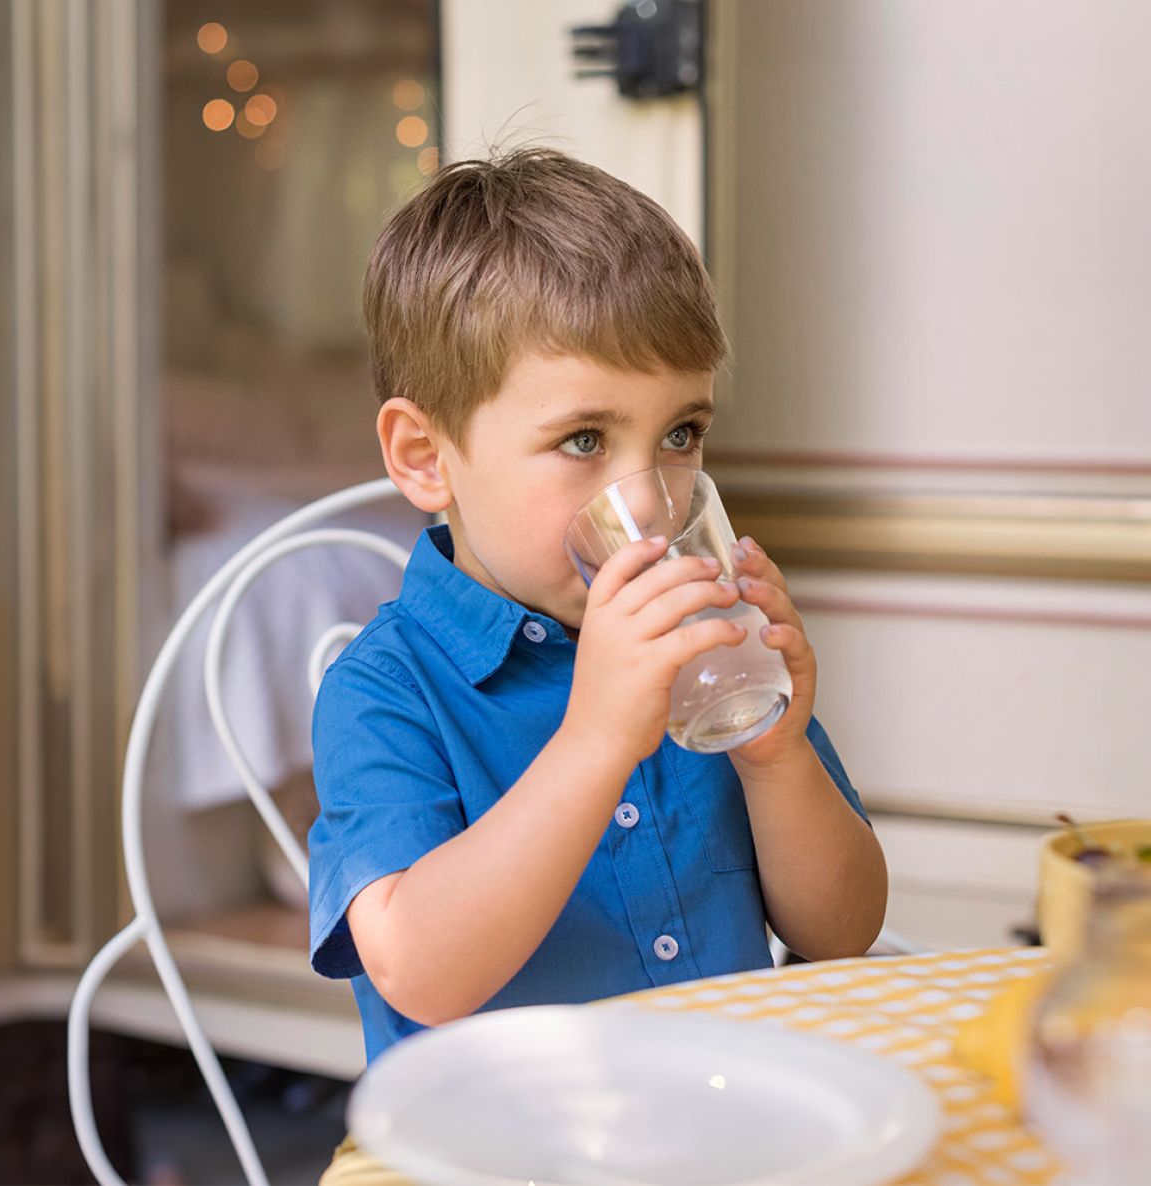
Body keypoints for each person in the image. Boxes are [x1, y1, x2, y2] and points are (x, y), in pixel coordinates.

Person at [308, 146, 888, 1074]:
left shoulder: (703, 648)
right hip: (498, 1152)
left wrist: (778, 758)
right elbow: (421, 971)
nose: (652, 499)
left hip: (722, 1121)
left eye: (681, 435)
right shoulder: (386, 691)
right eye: (583, 438)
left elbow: (844, 931)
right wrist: (596, 738)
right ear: (425, 456)